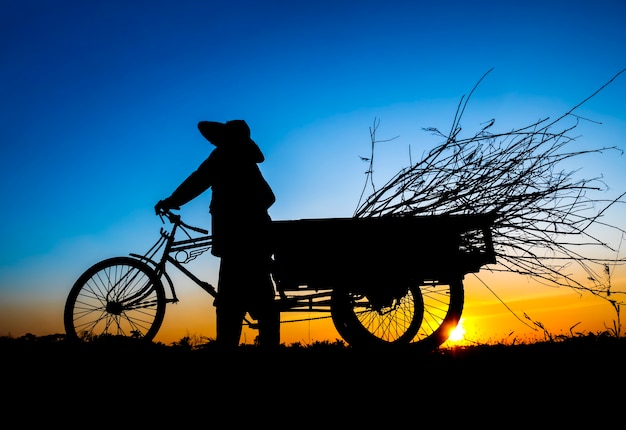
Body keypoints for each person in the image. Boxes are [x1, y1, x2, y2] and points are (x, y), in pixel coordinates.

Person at [155, 119, 279, 349]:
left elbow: (198, 180)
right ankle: (257, 347)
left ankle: (229, 349)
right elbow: (268, 198)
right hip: (252, 238)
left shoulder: (224, 157)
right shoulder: (245, 161)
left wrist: (172, 201)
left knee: (232, 301)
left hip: (239, 240)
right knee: (253, 299)